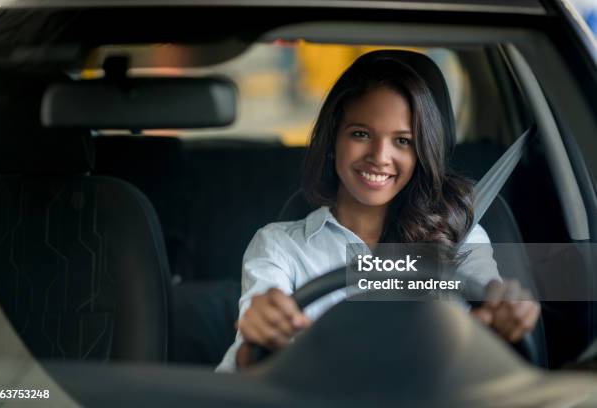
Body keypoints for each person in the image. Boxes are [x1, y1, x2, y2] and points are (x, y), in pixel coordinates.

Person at [216, 50, 540, 372]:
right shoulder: (279, 247)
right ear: (333, 141)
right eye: (361, 134)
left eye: (402, 141)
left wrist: (506, 316)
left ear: (421, 153)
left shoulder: (462, 237)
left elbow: (491, 337)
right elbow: (244, 364)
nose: (379, 156)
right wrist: (257, 338)